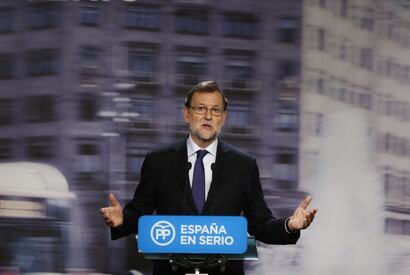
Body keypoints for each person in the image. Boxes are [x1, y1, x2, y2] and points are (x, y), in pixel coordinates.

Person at [100, 81, 317, 275]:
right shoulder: (158, 161)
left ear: (223, 118)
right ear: (187, 114)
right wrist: (122, 220)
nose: (208, 116)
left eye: (215, 110)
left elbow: (259, 224)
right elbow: (140, 212)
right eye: (201, 108)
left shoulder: (244, 165)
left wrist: (290, 225)